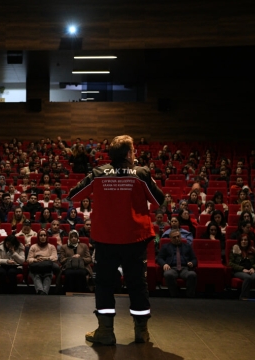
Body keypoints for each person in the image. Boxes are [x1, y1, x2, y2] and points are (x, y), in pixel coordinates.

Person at [68, 135, 164, 345]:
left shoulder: (98, 174)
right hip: (134, 240)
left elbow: (73, 195)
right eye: (134, 151)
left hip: (106, 240)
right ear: (129, 154)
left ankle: (105, 332)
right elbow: (159, 200)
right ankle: (141, 332)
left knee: (103, 285)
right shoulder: (141, 174)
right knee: (137, 285)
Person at [156, 229, 197, 297]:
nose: (177, 238)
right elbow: (159, 258)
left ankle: (190, 295)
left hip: (185, 268)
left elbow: (194, 259)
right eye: (174, 237)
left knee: (192, 274)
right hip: (171, 268)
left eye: (178, 236)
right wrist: (164, 264)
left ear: (181, 236)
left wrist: (192, 263)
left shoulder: (187, 246)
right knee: (168, 274)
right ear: (171, 239)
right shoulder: (165, 247)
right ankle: (175, 294)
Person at [27, 229, 58, 295]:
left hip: (47, 268)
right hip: (36, 268)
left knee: (48, 276)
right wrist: (35, 260)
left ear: (47, 237)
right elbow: (29, 259)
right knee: (36, 276)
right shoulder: (33, 247)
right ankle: (42, 292)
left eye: (44, 235)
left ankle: (42, 293)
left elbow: (55, 258)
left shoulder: (51, 247)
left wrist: (44, 258)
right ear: (38, 237)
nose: (43, 237)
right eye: (41, 235)